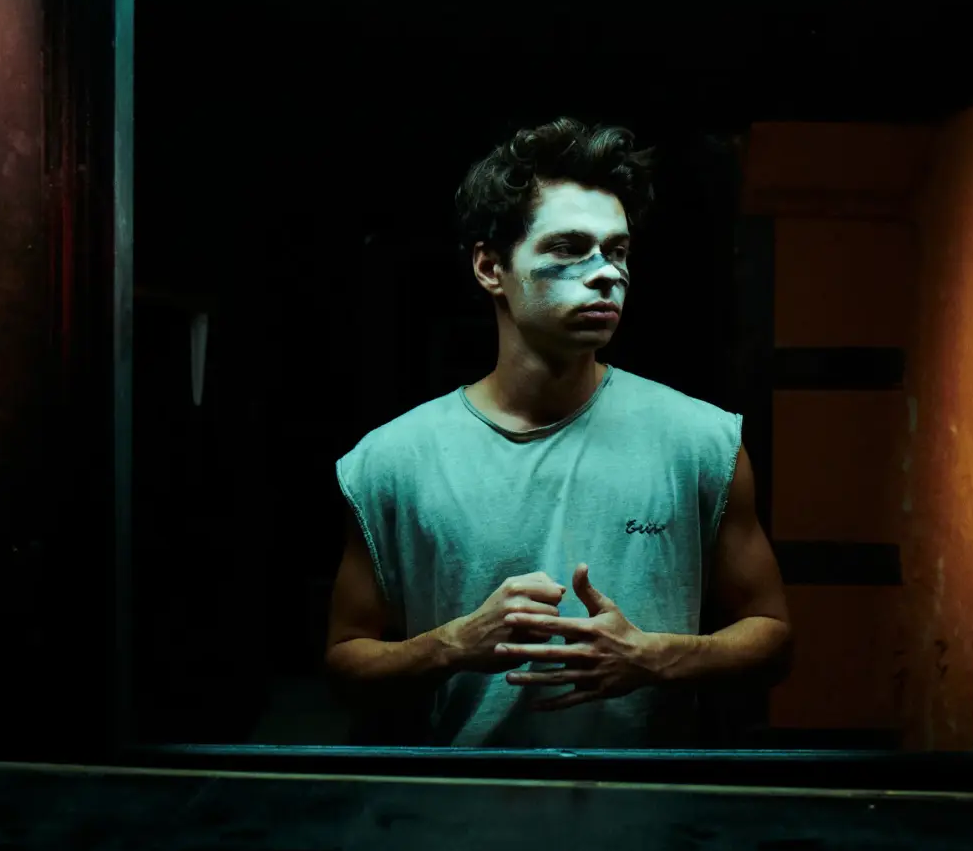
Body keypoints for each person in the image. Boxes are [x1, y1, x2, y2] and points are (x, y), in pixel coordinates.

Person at [325, 118, 791, 748]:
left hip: (647, 803)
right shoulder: (391, 460)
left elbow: (773, 639)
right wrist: (452, 645)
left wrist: (654, 657)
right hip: (458, 805)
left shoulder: (701, 442)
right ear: (490, 268)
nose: (606, 274)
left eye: (618, 250)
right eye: (569, 248)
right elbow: (345, 664)